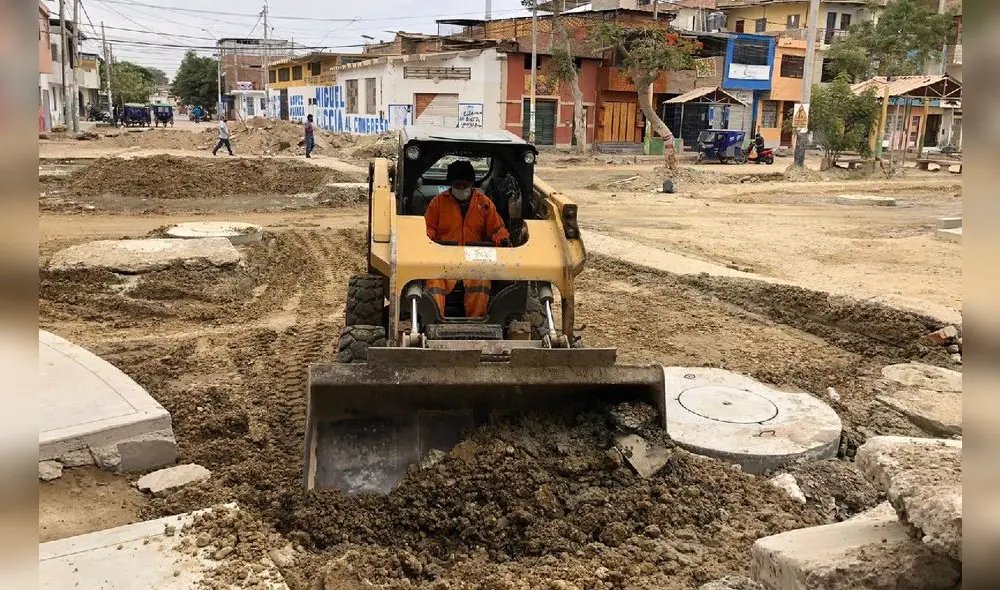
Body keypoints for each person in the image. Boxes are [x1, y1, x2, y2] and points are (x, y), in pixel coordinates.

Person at [424, 160, 511, 318]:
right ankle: (434, 321)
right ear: (451, 184)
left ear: (472, 183)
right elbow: (429, 227)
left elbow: (497, 228)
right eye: (457, 185)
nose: (462, 188)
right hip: (444, 258)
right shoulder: (438, 203)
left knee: (481, 280)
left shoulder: (484, 204)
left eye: (465, 185)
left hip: (475, 258)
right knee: (433, 280)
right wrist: (426, 238)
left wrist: (502, 239)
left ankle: (477, 322)